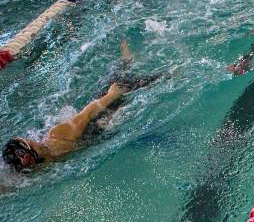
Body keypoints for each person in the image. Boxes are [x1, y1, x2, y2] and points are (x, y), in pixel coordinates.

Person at [2, 41, 157, 172]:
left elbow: (87, 114)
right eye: (29, 141)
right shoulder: (46, 162)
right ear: (28, 157)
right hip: (98, 130)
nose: (32, 138)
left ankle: (127, 60)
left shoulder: (57, 135)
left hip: (100, 118)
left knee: (136, 83)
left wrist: (111, 95)